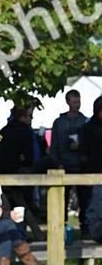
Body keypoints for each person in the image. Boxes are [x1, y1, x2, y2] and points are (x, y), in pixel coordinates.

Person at [50, 89, 89, 231]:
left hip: (80, 166)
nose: (77, 105)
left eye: (78, 102)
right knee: (62, 200)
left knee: (84, 200)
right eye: (74, 102)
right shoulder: (59, 123)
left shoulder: (85, 122)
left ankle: (86, 227)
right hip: (64, 166)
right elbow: (54, 145)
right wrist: (57, 163)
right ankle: (61, 228)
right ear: (68, 102)